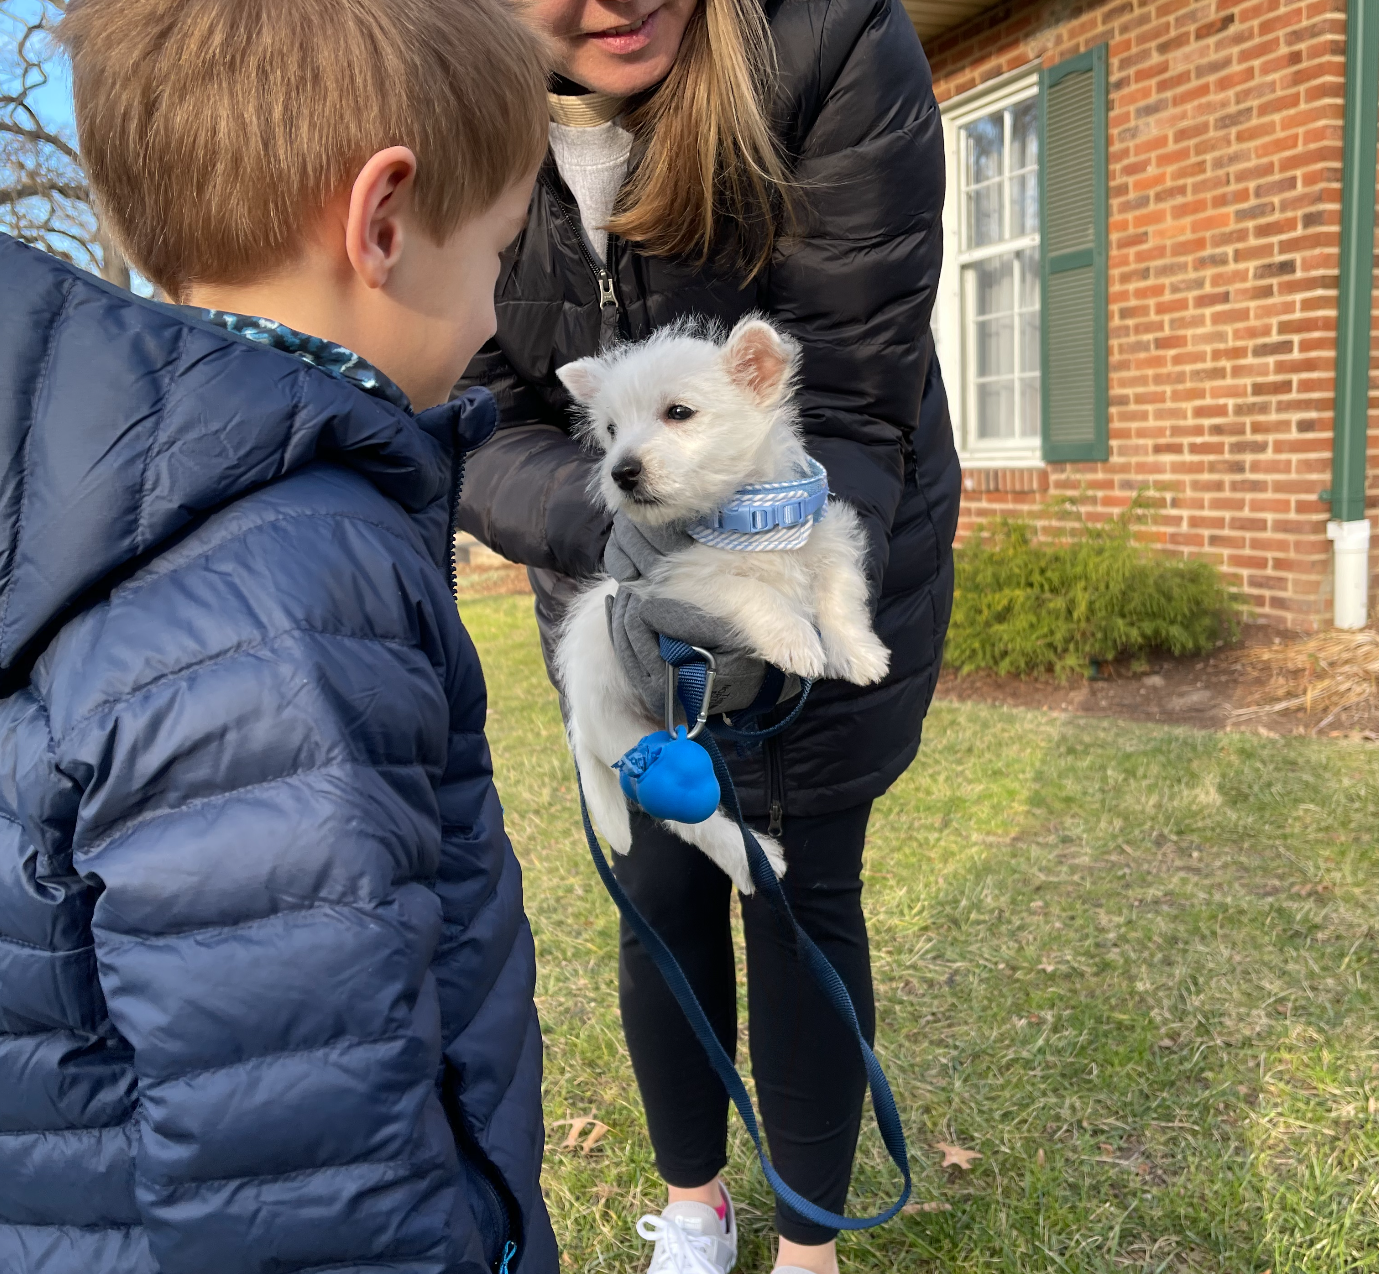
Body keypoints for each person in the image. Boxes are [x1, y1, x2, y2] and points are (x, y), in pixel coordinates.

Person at [0, 2, 558, 1271]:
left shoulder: (124, 508)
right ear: (383, 220)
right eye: (498, 253)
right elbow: (310, 1152)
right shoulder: (286, 581)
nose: (490, 319)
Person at [458, 2, 960, 1273]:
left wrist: (769, 583)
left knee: (798, 897)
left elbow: (853, 393)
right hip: (611, 582)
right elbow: (479, 411)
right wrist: (631, 539)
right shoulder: (439, 96)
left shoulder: (826, 36)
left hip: (824, 544)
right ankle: (695, 1206)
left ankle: (808, 1247)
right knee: (659, 892)